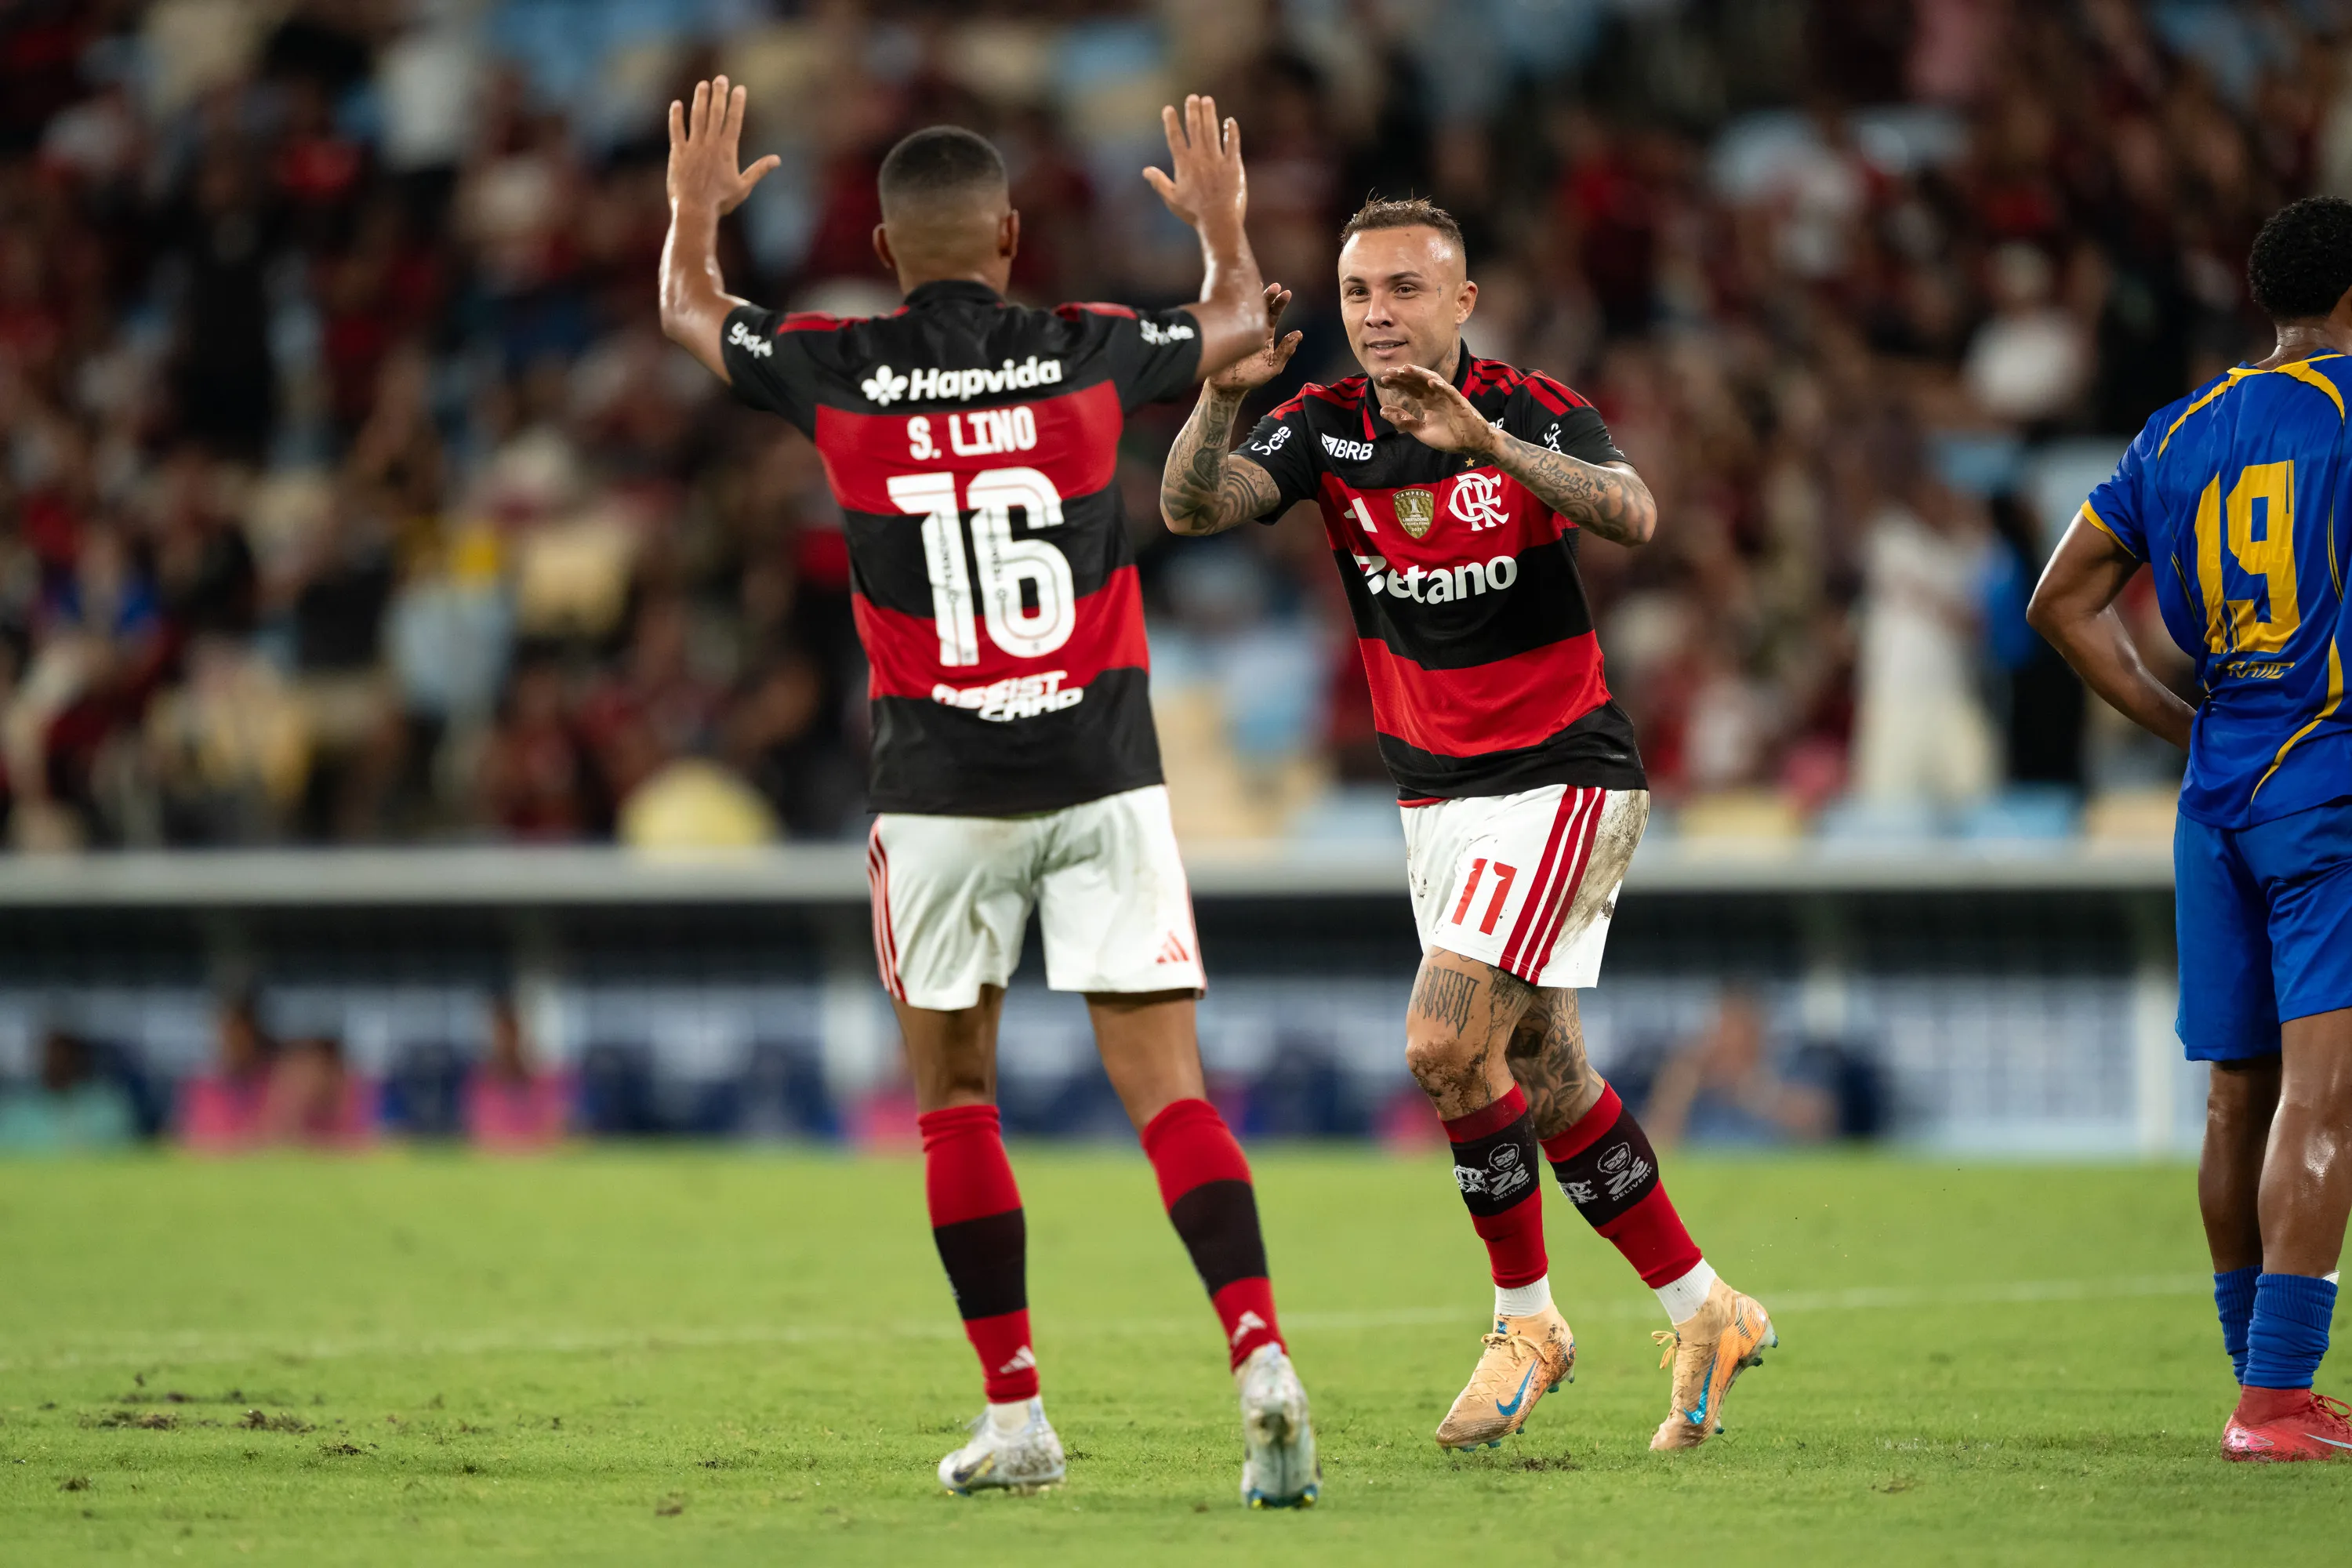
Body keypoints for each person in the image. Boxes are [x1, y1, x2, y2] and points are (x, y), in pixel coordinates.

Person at [659, 80, 1316, 1505]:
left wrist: (694, 217)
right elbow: (1246, 329)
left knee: (958, 1106)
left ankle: (1016, 1413)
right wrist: (1221, 229)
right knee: (1168, 1093)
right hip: (1102, 772)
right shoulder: (1086, 346)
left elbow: (688, 314)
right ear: (1012, 235)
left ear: (889, 253)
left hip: (939, 790)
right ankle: (1258, 1352)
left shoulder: (837, 363)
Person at [1160, 197, 1776, 1453]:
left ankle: (1527, 1321)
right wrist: (1222, 394)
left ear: (1461, 303)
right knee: (1546, 1078)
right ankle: (1705, 1304)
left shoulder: (1533, 406)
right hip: (1438, 800)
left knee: (1443, 1045)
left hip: (1563, 778)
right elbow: (1192, 508)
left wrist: (1486, 440)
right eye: (1359, 295)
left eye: (1403, 291)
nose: (1378, 316)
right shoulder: (1326, 430)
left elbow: (1634, 514)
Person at [2028, 194, 2352, 1463]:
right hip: (2329, 781)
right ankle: (2276, 1402)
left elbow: (2066, 599)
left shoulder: (2181, 430)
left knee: (2239, 1096)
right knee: (2324, 1095)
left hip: (2217, 790)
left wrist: (2181, 724)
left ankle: (2260, 1384)